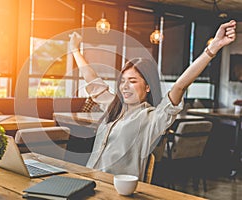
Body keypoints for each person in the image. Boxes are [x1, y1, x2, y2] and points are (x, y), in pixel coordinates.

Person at [68, 20, 236, 181]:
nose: (125, 87)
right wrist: (75, 50)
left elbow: (179, 86)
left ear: (147, 87)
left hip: (116, 191)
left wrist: (213, 48)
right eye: (123, 81)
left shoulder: (152, 118)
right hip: (90, 180)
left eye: (132, 81)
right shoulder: (114, 107)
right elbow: (93, 81)